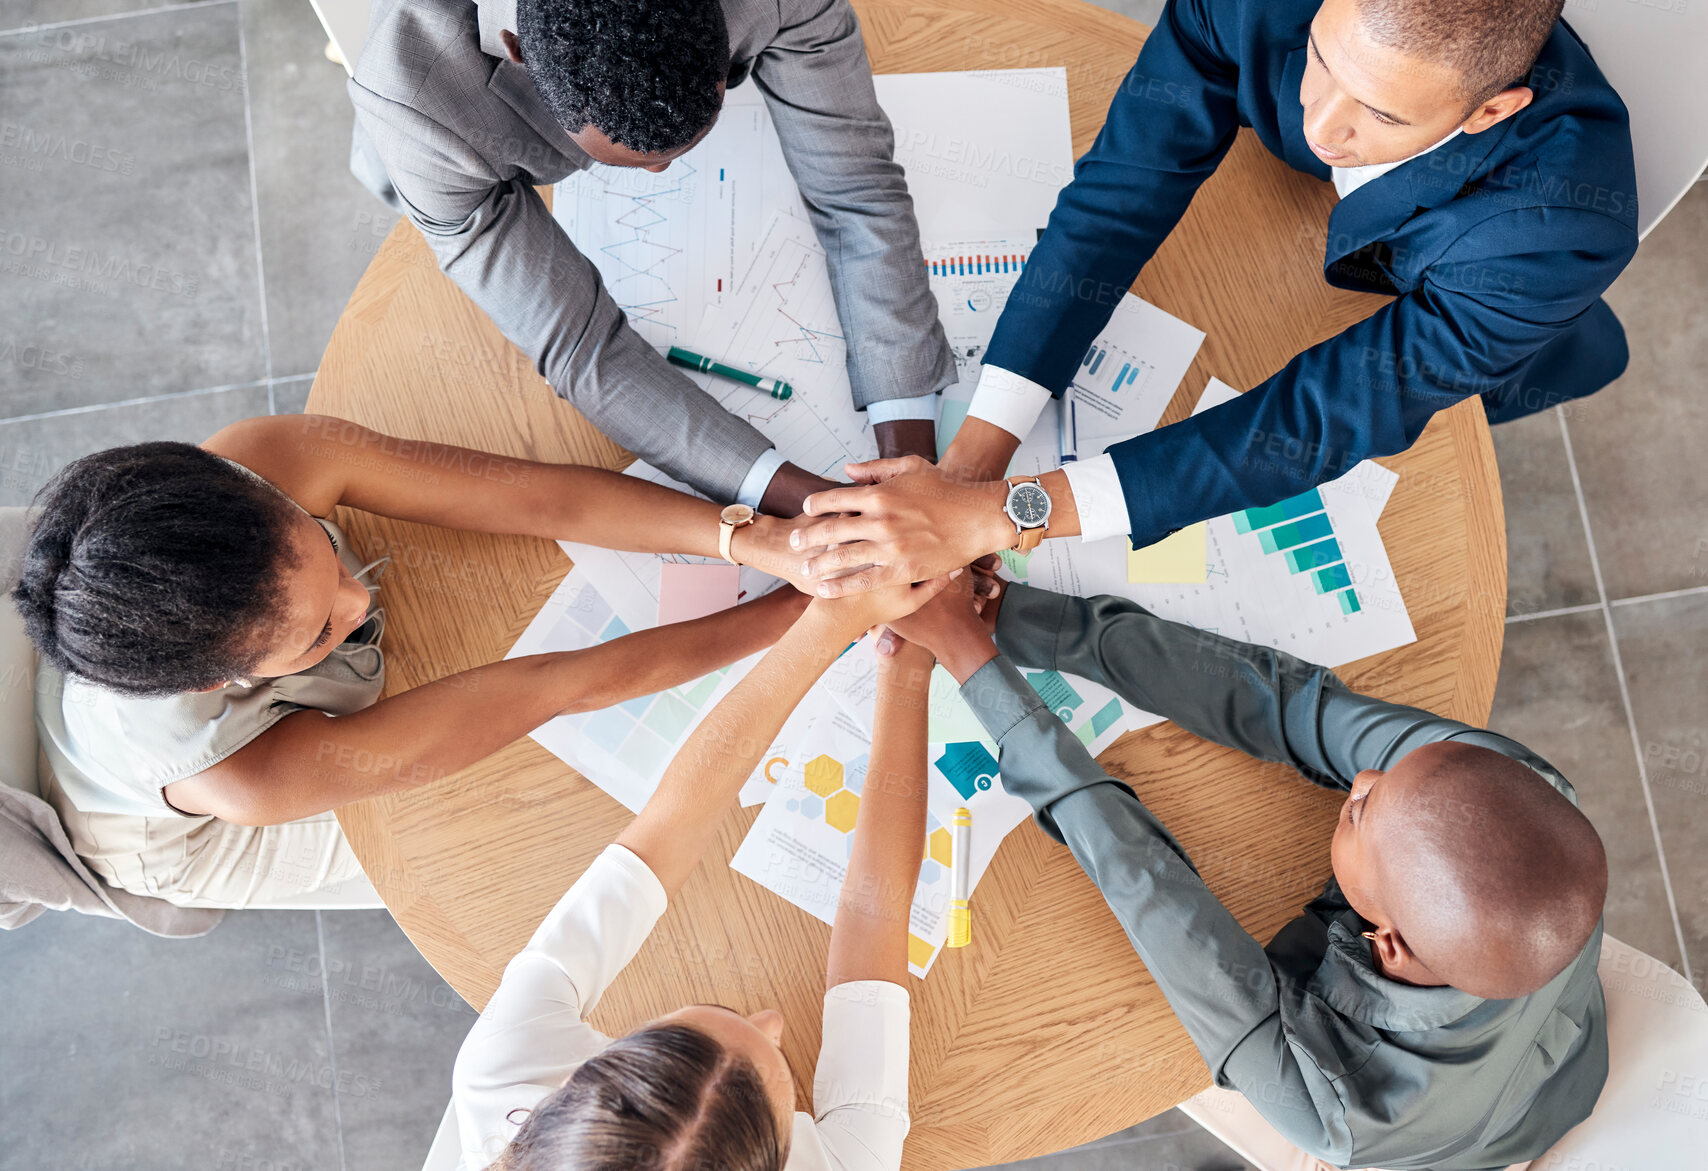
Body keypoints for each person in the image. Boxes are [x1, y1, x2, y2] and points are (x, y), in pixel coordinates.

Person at [785, 0, 1639, 592]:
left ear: (1492, 114)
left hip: (1467, 321)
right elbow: (1123, 194)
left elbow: (1318, 419)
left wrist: (1010, 514)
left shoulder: (1562, 225)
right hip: (1300, 233)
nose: (1320, 120)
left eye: (1377, 116)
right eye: (1321, 59)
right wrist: (974, 462)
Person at [885, 582, 1609, 1171]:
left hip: (1448, 1141)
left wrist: (970, 659)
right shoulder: (1522, 790)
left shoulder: (1333, 1103)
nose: (1357, 777)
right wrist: (1018, 614)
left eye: (1358, 810)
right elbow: (1294, 707)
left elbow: (1141, 878)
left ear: (1390, 945)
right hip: (1552, 1052)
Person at [12, 413, 819, 909]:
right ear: (222, 679)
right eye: (319, 633)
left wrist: (757, 540)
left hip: (141, 660)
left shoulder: (269, 457)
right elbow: (555, 686)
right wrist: (796, 613)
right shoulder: (240, 780)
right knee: (460, 842)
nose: (361, 603)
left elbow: (541, 498)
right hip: (160, 832)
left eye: (325, 562)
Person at [348, 0, 954, 516]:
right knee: (407, 196)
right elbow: (584, 350)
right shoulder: (412, 103)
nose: (662, 172)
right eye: (636, 160)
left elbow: (857, 192)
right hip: (445, 123)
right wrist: (813, 504)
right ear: (518, 49)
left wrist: (910, 468)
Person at [450, 574, 949, 1170]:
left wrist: (831, 623)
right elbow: (877, 911)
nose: (772, 1020)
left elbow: (667, 830)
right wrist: (910, 666)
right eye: (777, 1066)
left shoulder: (504, 1077)